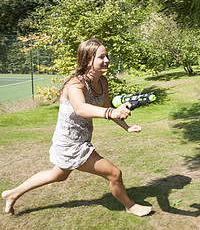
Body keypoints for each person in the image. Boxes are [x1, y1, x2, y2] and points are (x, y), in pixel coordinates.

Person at [2, 38, 152, 217]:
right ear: (88, 60)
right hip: (69, 142)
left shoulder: (102, 82)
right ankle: (130, 205)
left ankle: (12, 194)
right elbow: (81, 109)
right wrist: (112, 113)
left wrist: (125, 126)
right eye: (101, 57)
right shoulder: (75, 84)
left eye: (107, 56)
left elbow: (106, 109)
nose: (107, 60)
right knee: (114, 173)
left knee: (58, 175)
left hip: (82, 137)